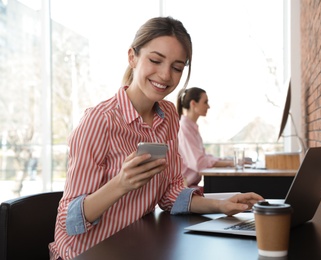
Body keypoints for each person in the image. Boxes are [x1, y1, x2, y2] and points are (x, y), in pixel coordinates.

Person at [48, 17, 262, 260]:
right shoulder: (100, 121)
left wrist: (221, 204)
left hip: (134, 246)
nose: (165, 75)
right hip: (86, 252)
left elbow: (170, 194)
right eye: (155, 60)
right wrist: (121, 184)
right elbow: (70, 220)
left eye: (177, 67)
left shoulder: (169, 114)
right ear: (133, 57)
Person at [176, 87, 234, 188]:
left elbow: (202, 157)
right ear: (193, 103)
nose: (208, 106)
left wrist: (224, 160)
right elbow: (199, 163)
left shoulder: (191, 127)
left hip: (193, 185)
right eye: (205, 102)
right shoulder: (184, 128)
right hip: (186, 188)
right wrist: (229, 163)